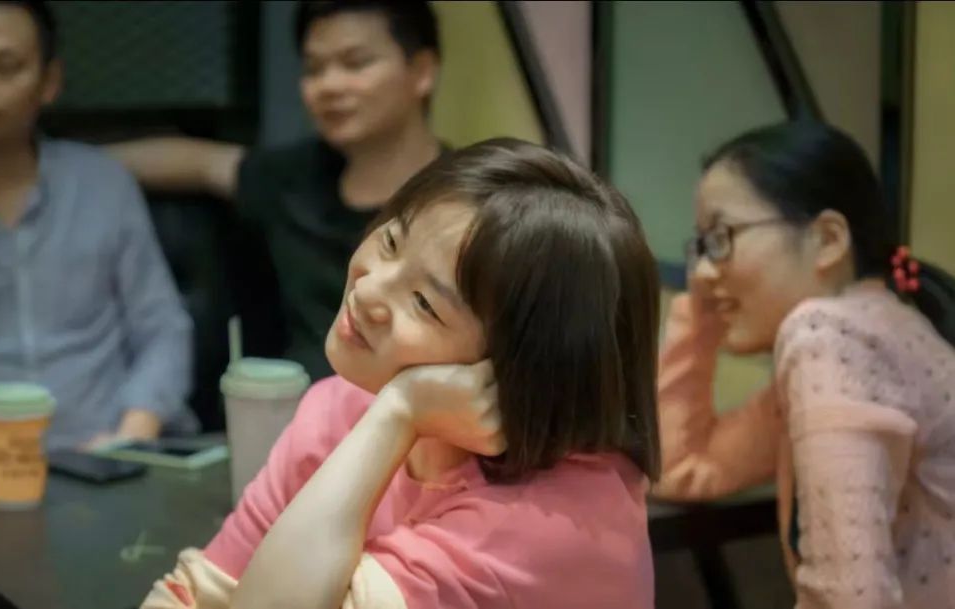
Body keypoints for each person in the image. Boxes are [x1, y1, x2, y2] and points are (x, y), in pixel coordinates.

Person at [139, 139, 661, 609]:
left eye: (424, 303)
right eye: (390, 242)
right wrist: (392, 414)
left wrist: (398, 412)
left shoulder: (545, 527)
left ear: (520, 367)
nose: (368, 290)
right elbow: (196, 593)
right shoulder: (343, 407)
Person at [0, 0, 194, 467]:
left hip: (116, 456)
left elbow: (162, 328)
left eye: (4, 66)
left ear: (49, 81)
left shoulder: (104, 184)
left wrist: (131, 436)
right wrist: (23, 456)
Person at [655, 121, 955, 607]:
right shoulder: (875, 330)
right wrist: (701, 315)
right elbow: (678, 467)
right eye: (701, 247)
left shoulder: (829, 335)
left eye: (722, 238)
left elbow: (850, 598)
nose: (703, 271)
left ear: (828, 239)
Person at [108, 0, 443, 381]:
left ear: (422, 71)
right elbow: (199, 163)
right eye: (314, 69)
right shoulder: (291, 180)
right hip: (295, 403)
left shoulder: (464, 200)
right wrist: (64, 162)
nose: (329, 85)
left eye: (355, 63)